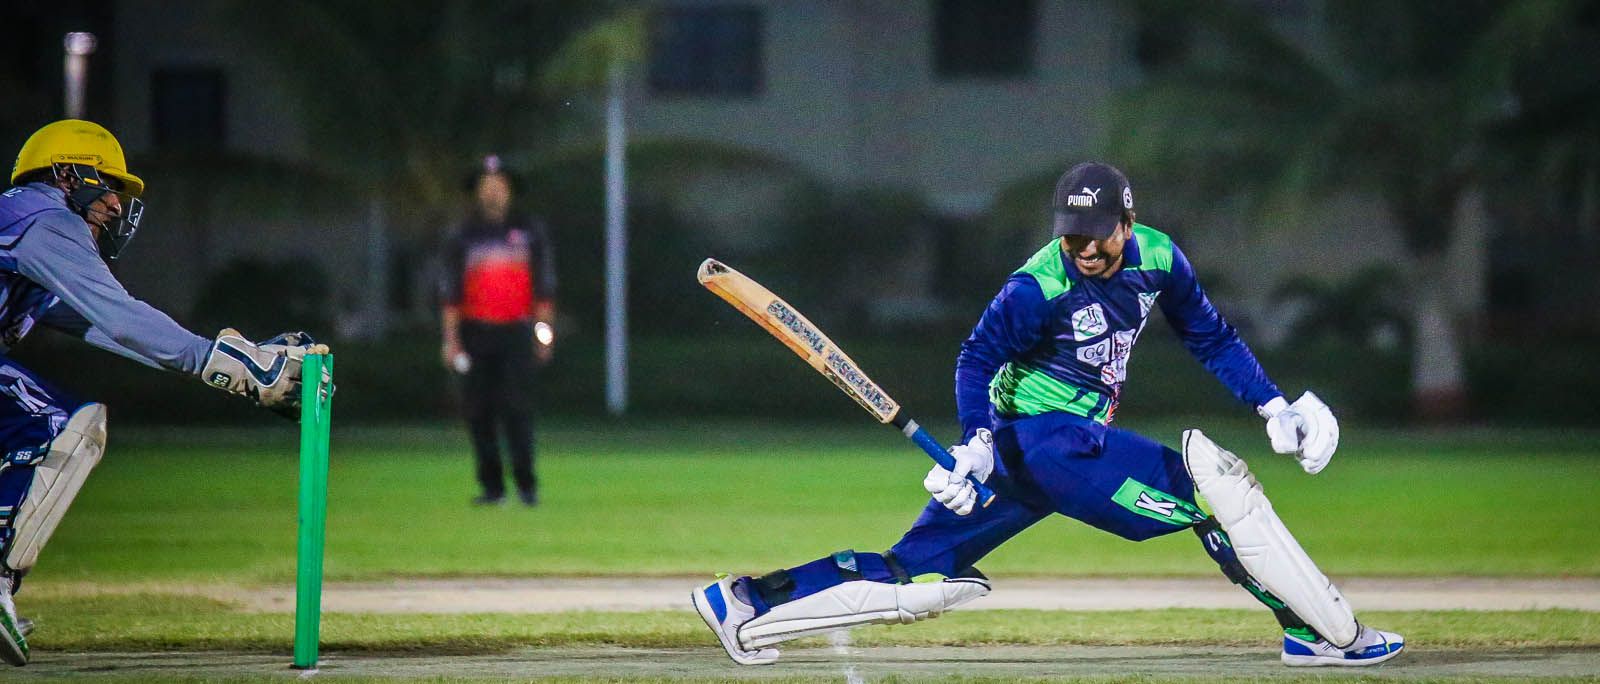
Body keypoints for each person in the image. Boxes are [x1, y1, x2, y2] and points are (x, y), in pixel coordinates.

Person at [693, 162, 1405, 668]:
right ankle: (1314, 632)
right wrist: (975, 444)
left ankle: (746, 601)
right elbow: (976, 358)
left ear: (1127, 222)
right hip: (1050, 442)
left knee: (915, 570)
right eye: (1072, 236)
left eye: (1097, 234)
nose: (1084, 249)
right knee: (1214, 497)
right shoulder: (1037, 286)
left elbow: (1208, 335)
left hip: (1034, 456)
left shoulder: (1159, 258)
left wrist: (1271, 403)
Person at [0, 119, 325, 667]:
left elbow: (109, 330)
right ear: (67, 175)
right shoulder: (45, 218)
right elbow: (122, 317)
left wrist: (228, 364)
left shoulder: (22, 228)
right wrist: (231, 365)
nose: (115, 204)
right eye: (108, 185)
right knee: (65, 429)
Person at [440, 155, 556, 508]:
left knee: (518, 408)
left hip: (517, 331)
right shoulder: (463, 235)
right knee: (478, 411)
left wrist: (543, 333)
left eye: (499, 186)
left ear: (510, 191)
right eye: (486, 186)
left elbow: (544, 288)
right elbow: (451, 293)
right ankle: (493, 488)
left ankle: (526, 486)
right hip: (476, 333)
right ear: (477, 192)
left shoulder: (529, 231)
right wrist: (451, 340)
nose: (493, 192)